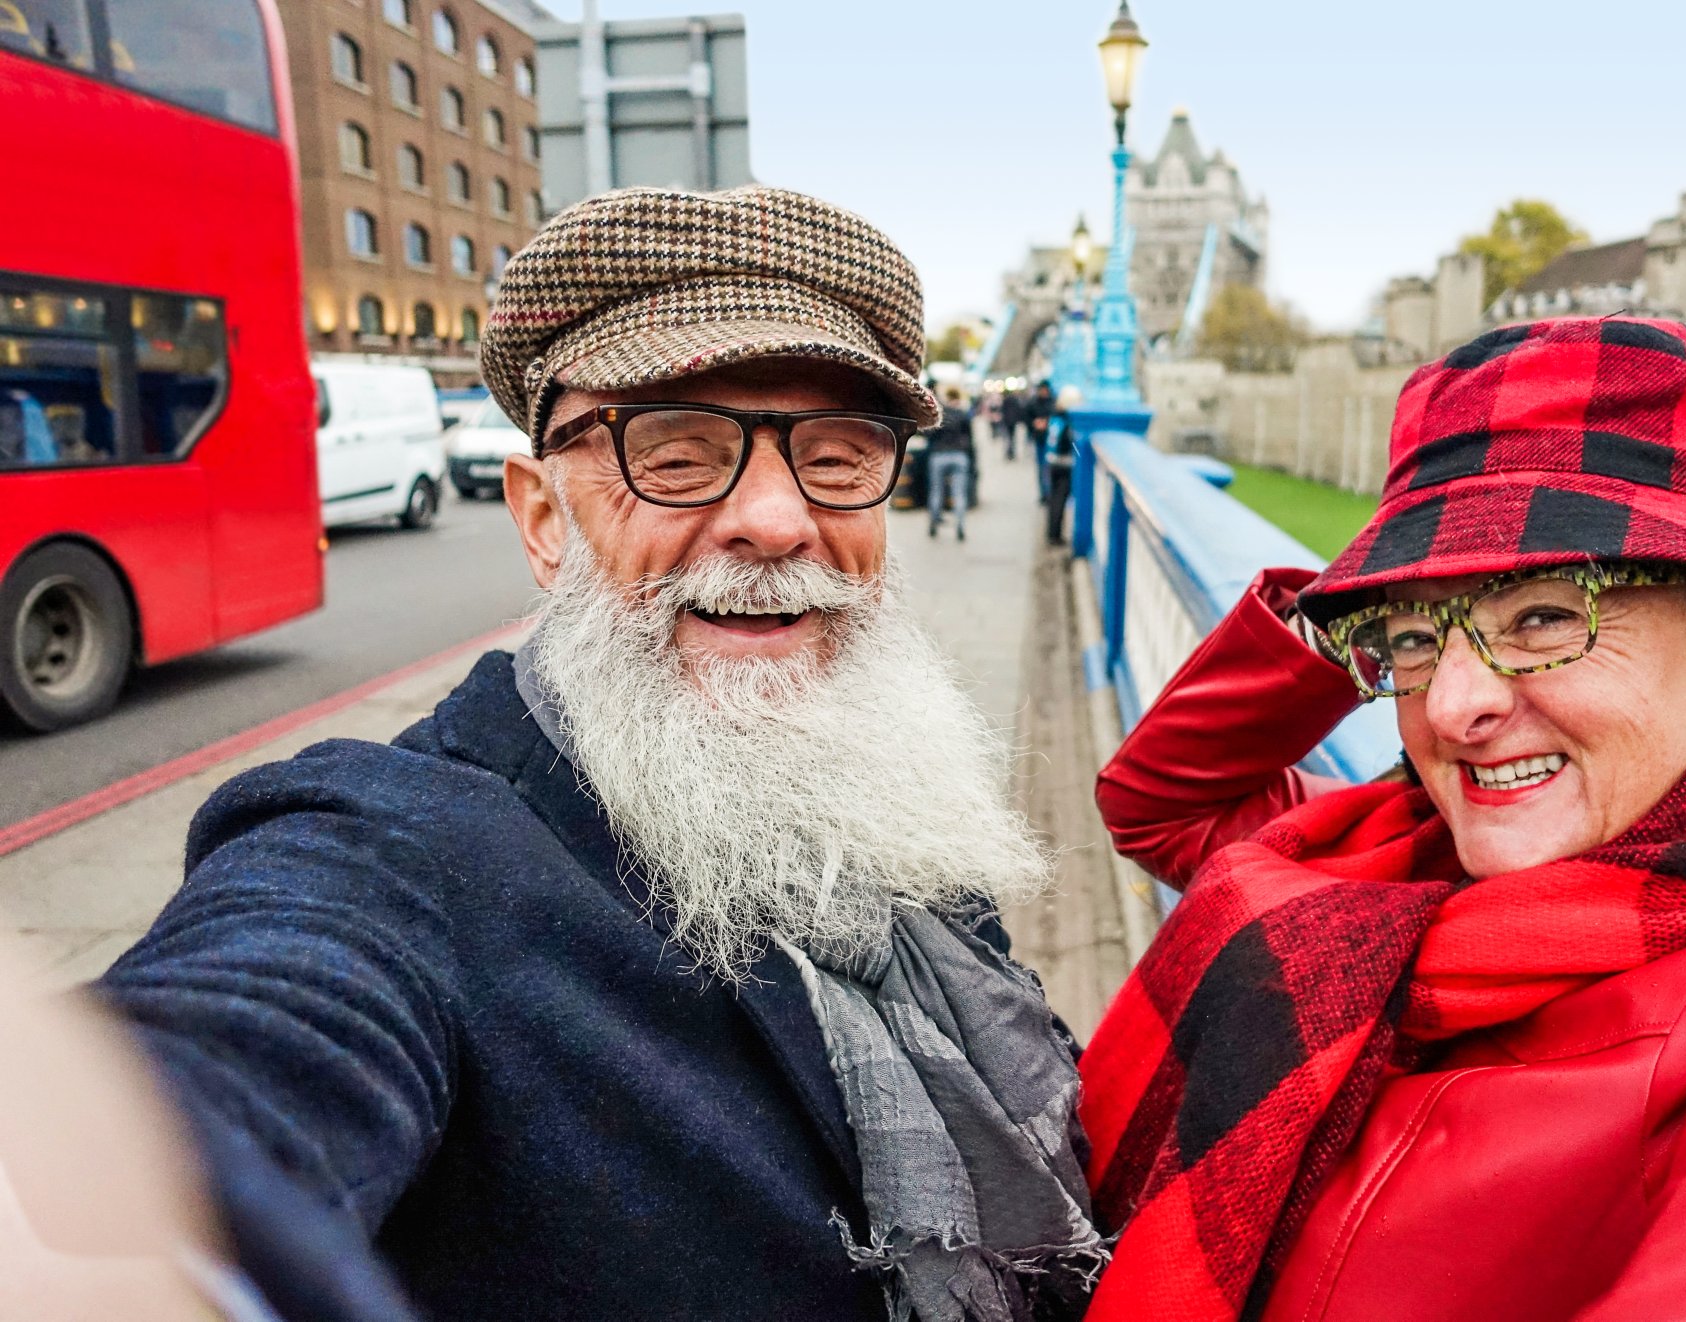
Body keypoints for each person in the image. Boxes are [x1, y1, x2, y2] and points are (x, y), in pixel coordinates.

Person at [92, 186, 1104, 1322]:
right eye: (673, 452)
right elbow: (220, 1077)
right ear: (539, 518)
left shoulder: (895, 796)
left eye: (834, 455)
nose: (777, 519)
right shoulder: (392, 850)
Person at [1078, 317, 1686, 1322]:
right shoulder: (1378, 855)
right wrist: (1337, 614)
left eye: (1549, 615)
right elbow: (1160, 801)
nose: (1447, 707)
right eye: (1412, 635)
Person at [928, 384, 975, 541]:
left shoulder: (940, 414)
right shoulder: (963, 414)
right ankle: (960, 525)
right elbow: (970, 439)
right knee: (959, 493)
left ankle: (934, 523)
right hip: (959, 455)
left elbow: (930, 436)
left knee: (936, 491)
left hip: (939, 455)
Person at [1044, 385, 1084, 547]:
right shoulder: (1068, 422)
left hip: (1051, 462)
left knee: (1054, 499)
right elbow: (1071, 444)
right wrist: (1080, 455)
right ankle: (1055, 535)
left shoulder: (1054, 418)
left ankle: (1052, 532)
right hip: (1064, 464)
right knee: (1060, 499)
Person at [1025, 380, 1055, 503]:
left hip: (1051, 440)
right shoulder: (1033, 403)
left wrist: (1047, 423)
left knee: (1048, 466)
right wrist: (1034, 424)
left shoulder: (1052, 402)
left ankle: (1049, 492)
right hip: (1039, 439)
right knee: (1041, 466)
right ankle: (1044, 493)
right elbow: (1026, 417)